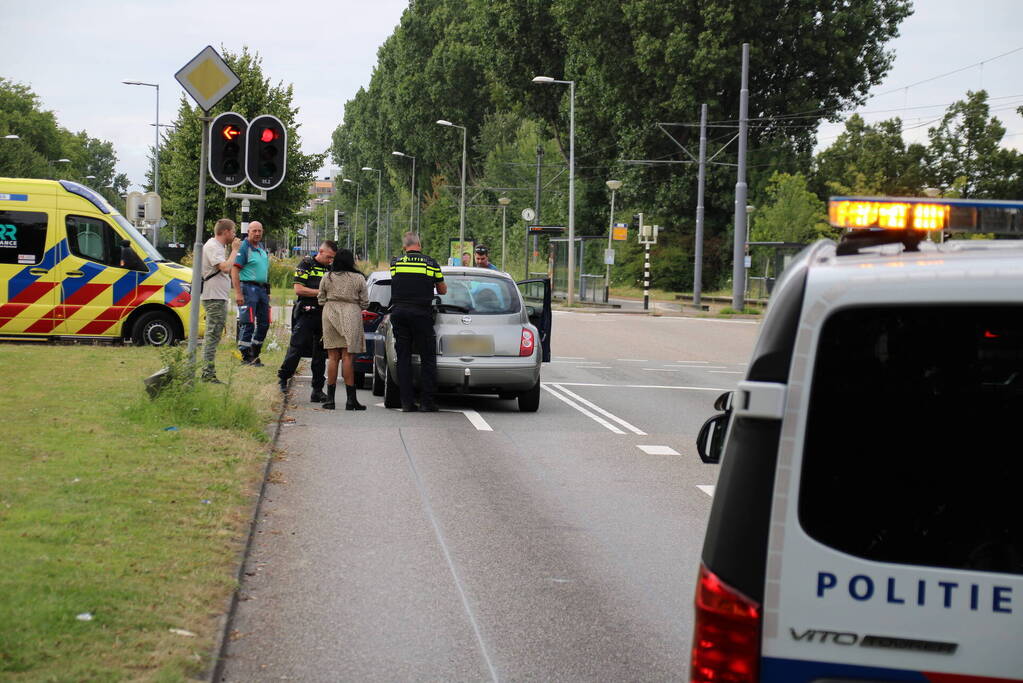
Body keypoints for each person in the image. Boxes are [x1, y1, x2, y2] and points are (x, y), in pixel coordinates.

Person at [389, 232, 447, 412]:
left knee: (403, 357)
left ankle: (406, 402)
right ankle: (426, 402)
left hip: (399, 312)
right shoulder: (431, 263)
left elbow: (397, 282)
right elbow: (442, 290)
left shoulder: (396, 263)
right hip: (421, 313)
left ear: (404, 247)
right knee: (427, 357)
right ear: (419, 246)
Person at [277, 240, 337, 400]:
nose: (330, 260)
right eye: (329, 257)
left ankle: (317, 390)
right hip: (306, 313)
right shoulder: (306, 264)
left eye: (333, 258)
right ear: (321, 251)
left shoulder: (330, 269)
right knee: (296, 347)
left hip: (324, 315)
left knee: (320, 354)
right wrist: (321, 292)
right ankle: (283, 379)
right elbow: (299, 289)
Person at [318, 249, 369, 410]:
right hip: (351, 314)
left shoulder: (328, 277)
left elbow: (320, 299)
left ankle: (330, 400)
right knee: (347, 357)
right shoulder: (359, 278)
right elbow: (365, 302)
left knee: (332, 357)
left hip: (329, 313)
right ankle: (350, 400)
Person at [200, 218, 242, 382]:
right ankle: (207, 373)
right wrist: (234, 250)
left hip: (218, 296)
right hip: (214, 296)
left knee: (215, 334)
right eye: (233, 231)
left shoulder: (218, 246)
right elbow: (225, 267)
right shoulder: (213, 246)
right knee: (212, 335)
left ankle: (208, 371)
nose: (234, 234)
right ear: (225, 232)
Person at [232, 221, 271, 367]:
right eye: (254, 231)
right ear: (248, 231)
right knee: (248, 322)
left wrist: (267, 292)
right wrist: (238, 293)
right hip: (248, 288)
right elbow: (235, 270)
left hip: (261, 290)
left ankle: (255, 352)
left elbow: (265, 271)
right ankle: (245, 355)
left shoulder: (261, 248)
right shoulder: (244, 247)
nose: (257, 233)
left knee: (264, 322)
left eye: (259, 231)